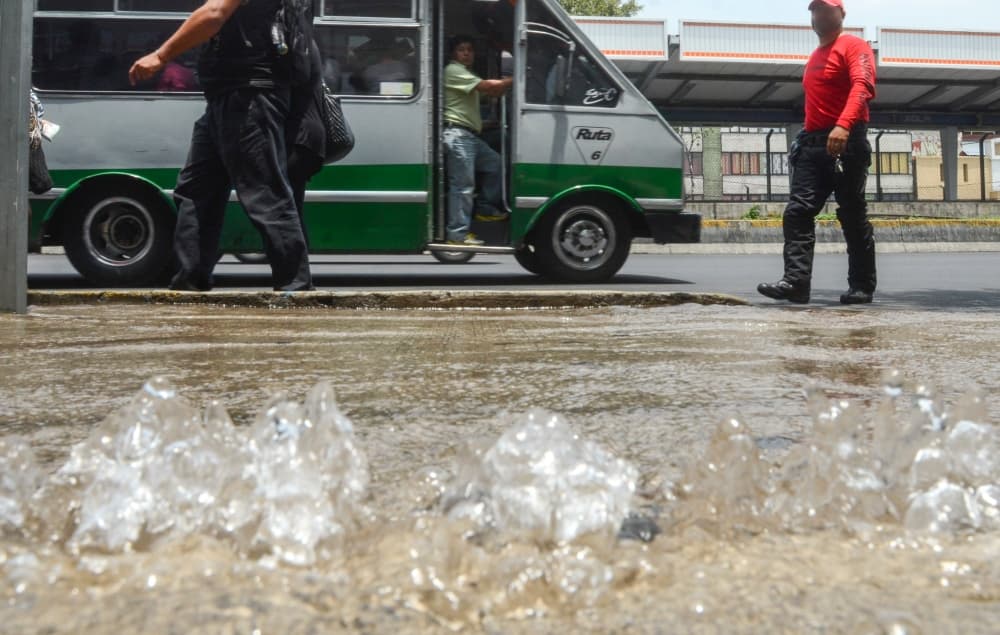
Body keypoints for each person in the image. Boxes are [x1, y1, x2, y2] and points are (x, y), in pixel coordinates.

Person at [128, 0, 312, 291]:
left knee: (265, 192)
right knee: (195, 190)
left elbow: (214, 14)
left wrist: (161, 56)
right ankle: (190, 281)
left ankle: (295, 287)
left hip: (249, 95)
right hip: (226, 95)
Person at [757, 0, 876, 305]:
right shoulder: (815, 56)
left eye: (826, 9)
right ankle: (796, 283)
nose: (819, 14)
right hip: (812, 144)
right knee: (797, 212)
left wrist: (843, 125)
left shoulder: (854, 45)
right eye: (815, 10)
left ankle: (861, 287)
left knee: (851, 214)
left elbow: (862, 86)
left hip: (846, 141)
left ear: (841, 13)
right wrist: (807, 136)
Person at [443, 35, 512, 246]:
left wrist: (483, 123)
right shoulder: (453, 70)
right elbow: (490, 88)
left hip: (470, 134)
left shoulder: (467, 74)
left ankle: (485, 209)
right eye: (462, 49)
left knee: (495, 164)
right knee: (463, 185)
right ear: (453, 53)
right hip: (458, 135)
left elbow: (490, 94)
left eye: (470, 49)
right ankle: (457, 235)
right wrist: (517, 78)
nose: (467, 53)